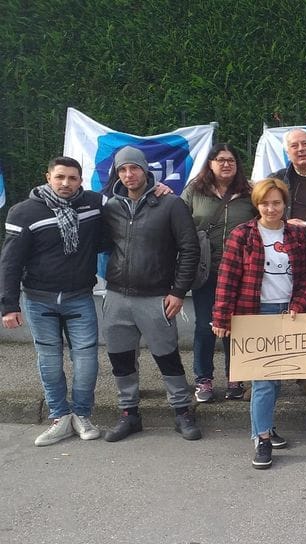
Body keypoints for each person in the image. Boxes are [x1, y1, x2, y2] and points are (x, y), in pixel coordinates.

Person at [211, 179, 306, 469]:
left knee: (276, 376)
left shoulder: (296, 235)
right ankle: (262, 438)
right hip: (255, 315)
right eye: (265, 203)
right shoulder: (243, 235)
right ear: (257, 205)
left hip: (289, 314)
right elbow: (227, 278)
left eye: (276, 203)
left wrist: (298, 304)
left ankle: (265, 425)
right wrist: (221, 317)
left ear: (285, 204)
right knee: (263, 380)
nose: (271, 208)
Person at [0, 157, 104, 446]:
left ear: (81, 180)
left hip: (80, 297)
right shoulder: (23, 212)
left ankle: (81, 415)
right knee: (48, 360)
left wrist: (161, 190)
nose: (66, 183)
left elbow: (126, 197)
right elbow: (10, 261)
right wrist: (8, 305)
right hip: (38, 300)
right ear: (48, 177)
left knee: (86, 360)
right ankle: (60, 417)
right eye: (60, 177)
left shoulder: (94, 204)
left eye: (72, 178)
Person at [100, 146, 201, 442]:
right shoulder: (111, 207)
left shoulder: (170, 204)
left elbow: (190, 249)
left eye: (134, 168)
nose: (129, 175)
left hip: (156, 297)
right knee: (120, 358)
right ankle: (129, 414)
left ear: (146, 170)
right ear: (117, 173)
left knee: (167, 357)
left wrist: (178, 291)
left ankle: (182, 411)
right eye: (122, 170)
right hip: (117, 295)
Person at [181, 143, 257, 403]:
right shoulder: (194, 191)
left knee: (236, 327)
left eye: (231, 160)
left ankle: (235, 378)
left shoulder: (249, 192)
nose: (226, 165)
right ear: (210, 164)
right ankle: (203, 380)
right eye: (221, 160)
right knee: (205, 326)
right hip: (206, 271)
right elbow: (179, 221)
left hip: (240, 272)